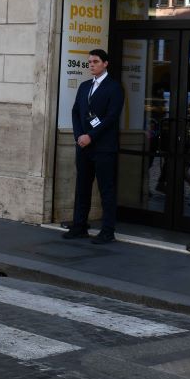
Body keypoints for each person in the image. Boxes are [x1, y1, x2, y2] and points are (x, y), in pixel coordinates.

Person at [63, 48, 125, 245]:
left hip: (104, 147)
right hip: (84, 147)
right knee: (82, 187)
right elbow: (75, 112)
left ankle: (108, 231)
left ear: (105, 63)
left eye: (95, 61)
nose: (91, 65)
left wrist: (91, 136)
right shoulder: (84, 87)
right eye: (89, 62)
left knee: (106, 189)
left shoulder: (114, 88)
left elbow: (111, 118)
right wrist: (79, 135)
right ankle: (79, 226)